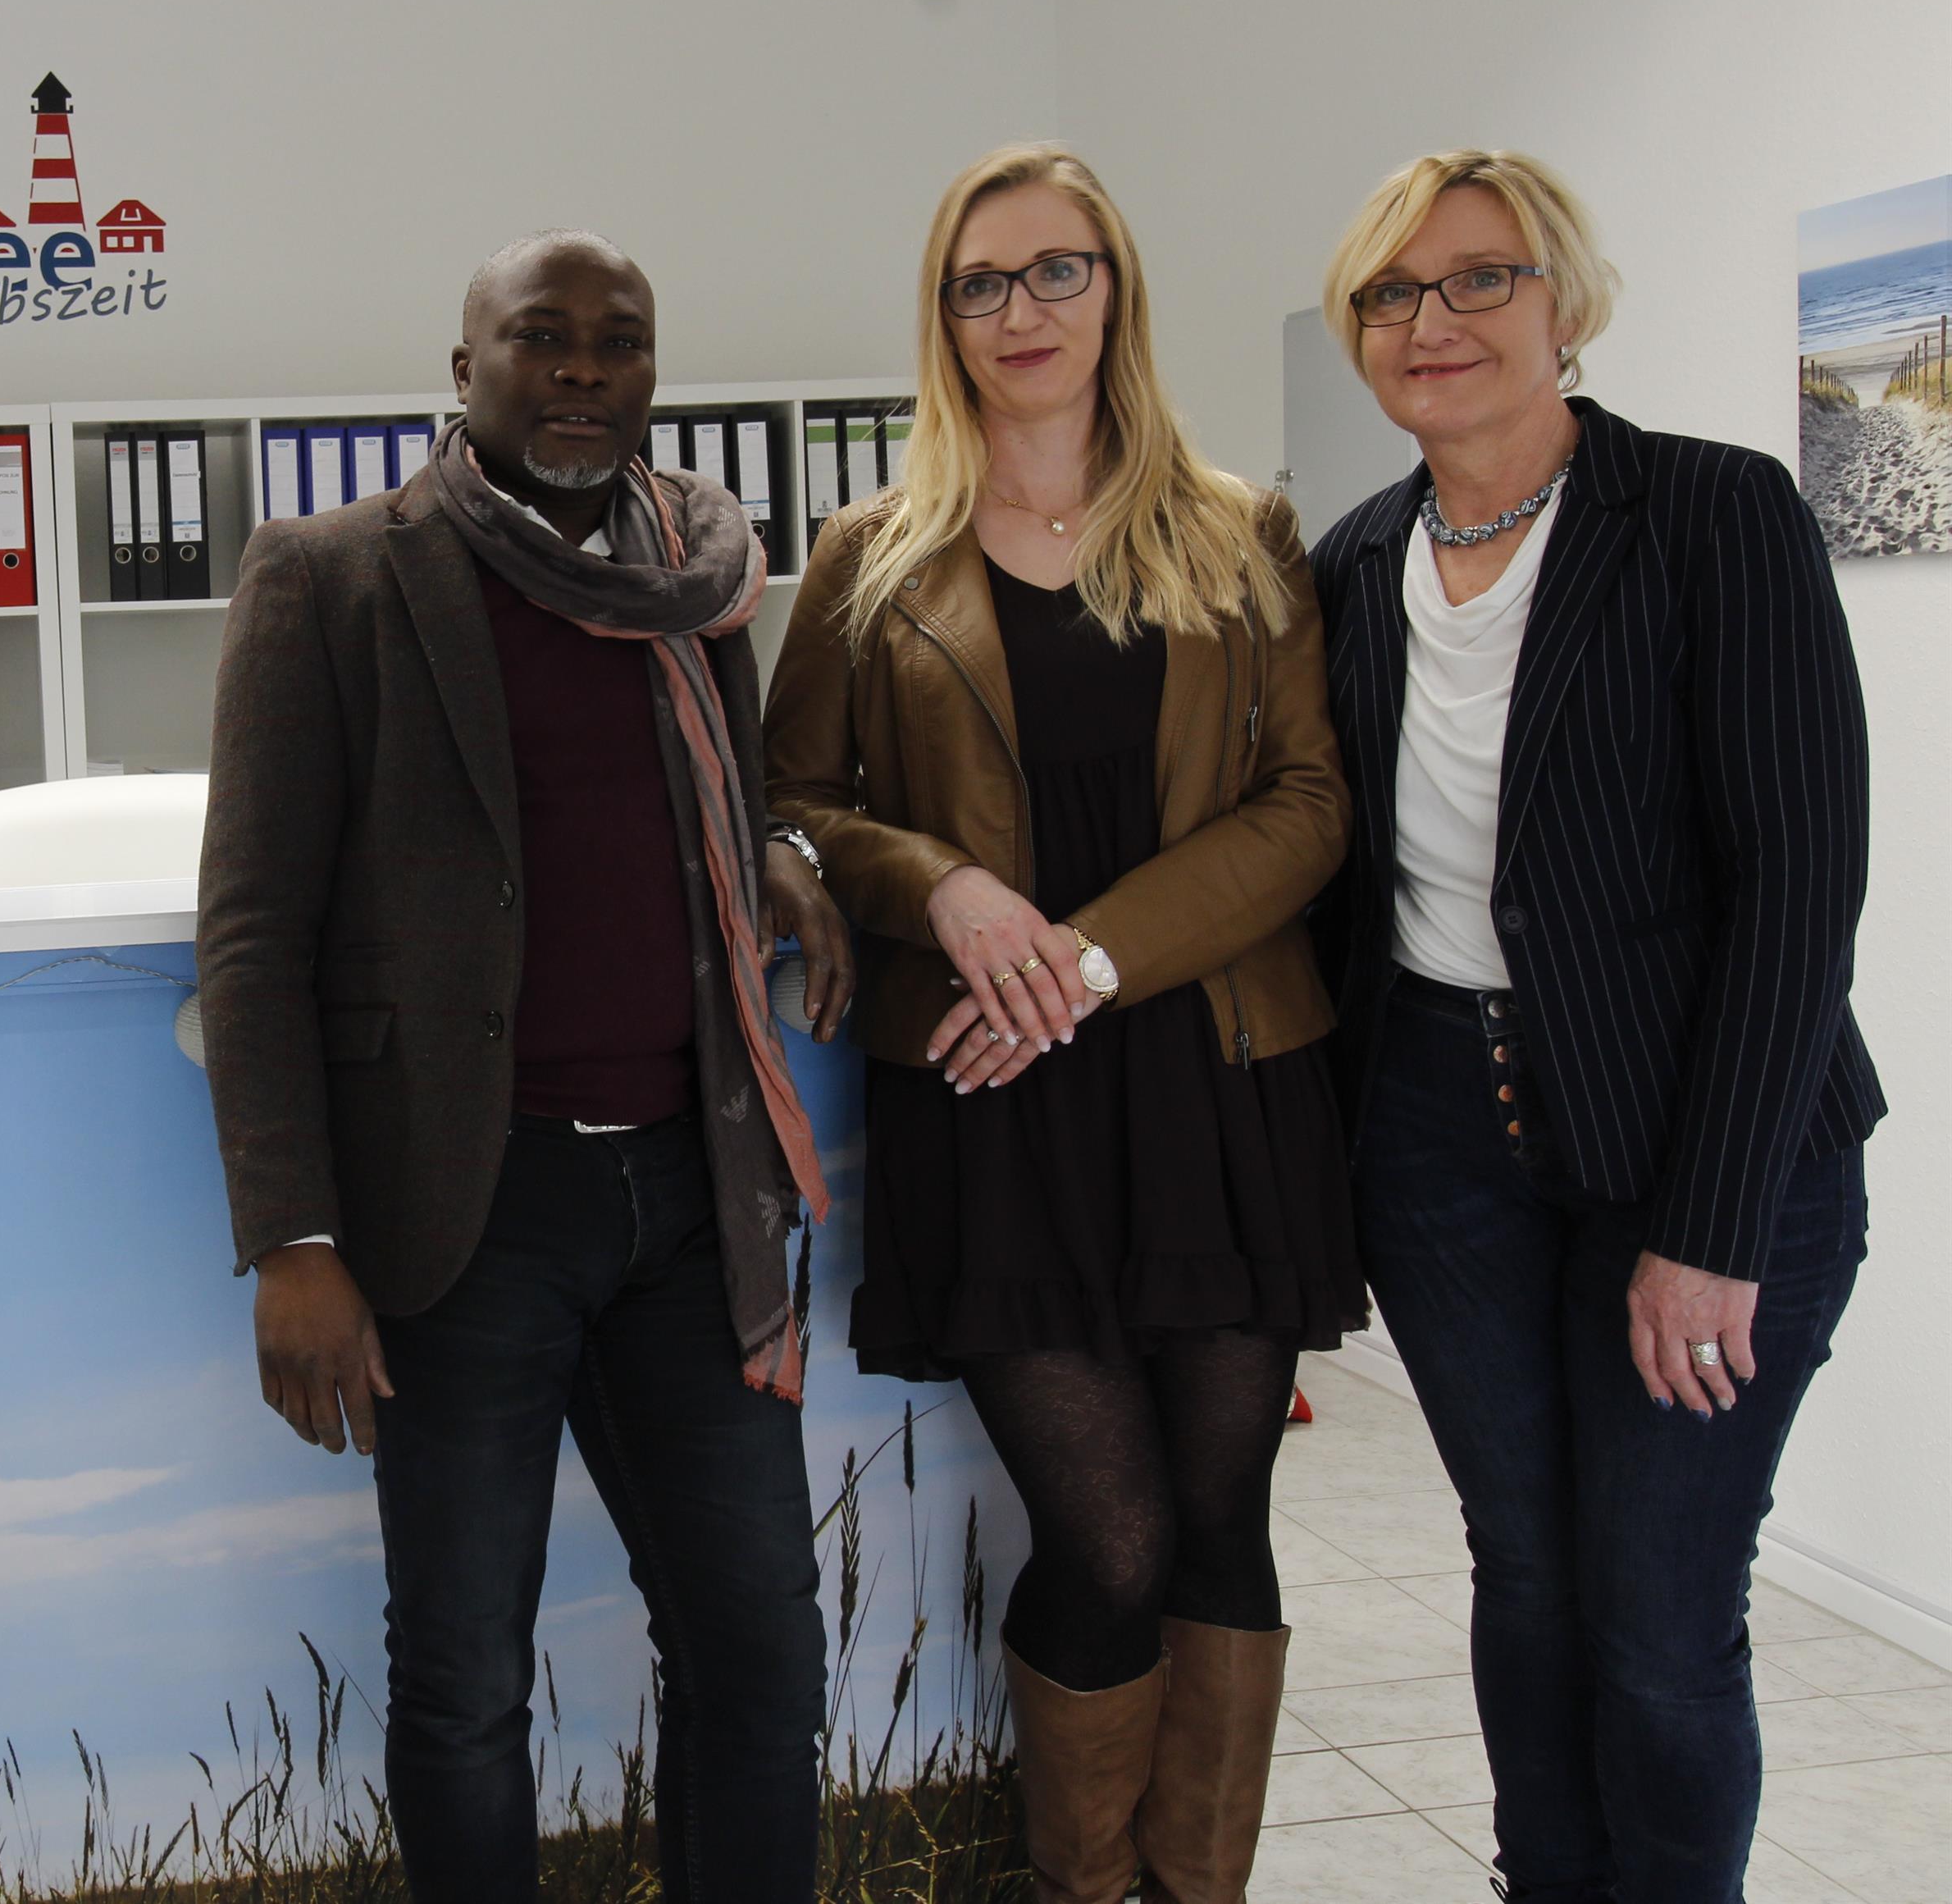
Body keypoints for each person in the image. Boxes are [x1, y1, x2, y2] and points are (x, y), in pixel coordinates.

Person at [195, 230, 837, 1903]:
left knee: (760, 1648)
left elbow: (724, 800)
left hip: (693, 1199)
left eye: (618, 342)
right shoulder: (332, 576)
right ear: (461, 366)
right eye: (540, 338)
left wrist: (780, 848)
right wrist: (292, 1238)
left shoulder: (700, 575)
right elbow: (251, 935)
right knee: (466, 1676)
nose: (580, 371)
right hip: (466, 1214)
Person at [762, 143, 1364, 1904]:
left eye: (1055, 270)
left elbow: (1308, 805)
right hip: (992, 1104)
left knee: (1221, 1524)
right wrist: (940, 885)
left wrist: (1085, 962)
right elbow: (790, 803)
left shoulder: (1239, 530)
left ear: (1115, 290)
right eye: (979, 281)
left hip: (1216, 1079)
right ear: (940, 317)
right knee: (1108, 1541)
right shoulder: (872, 553)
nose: (1019, 310)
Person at [1306, 149, 1880, 1904]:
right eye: (1392, 293)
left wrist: (1708, 1229)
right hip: (1437, 1148)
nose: (1434, 320)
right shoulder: (1352, 564)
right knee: (1528, 1578)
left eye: (1480, 277)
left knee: (1655, 1612)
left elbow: (1797, 884)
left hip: (1702, 1141)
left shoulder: (1709, 515)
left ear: (1564, 302)